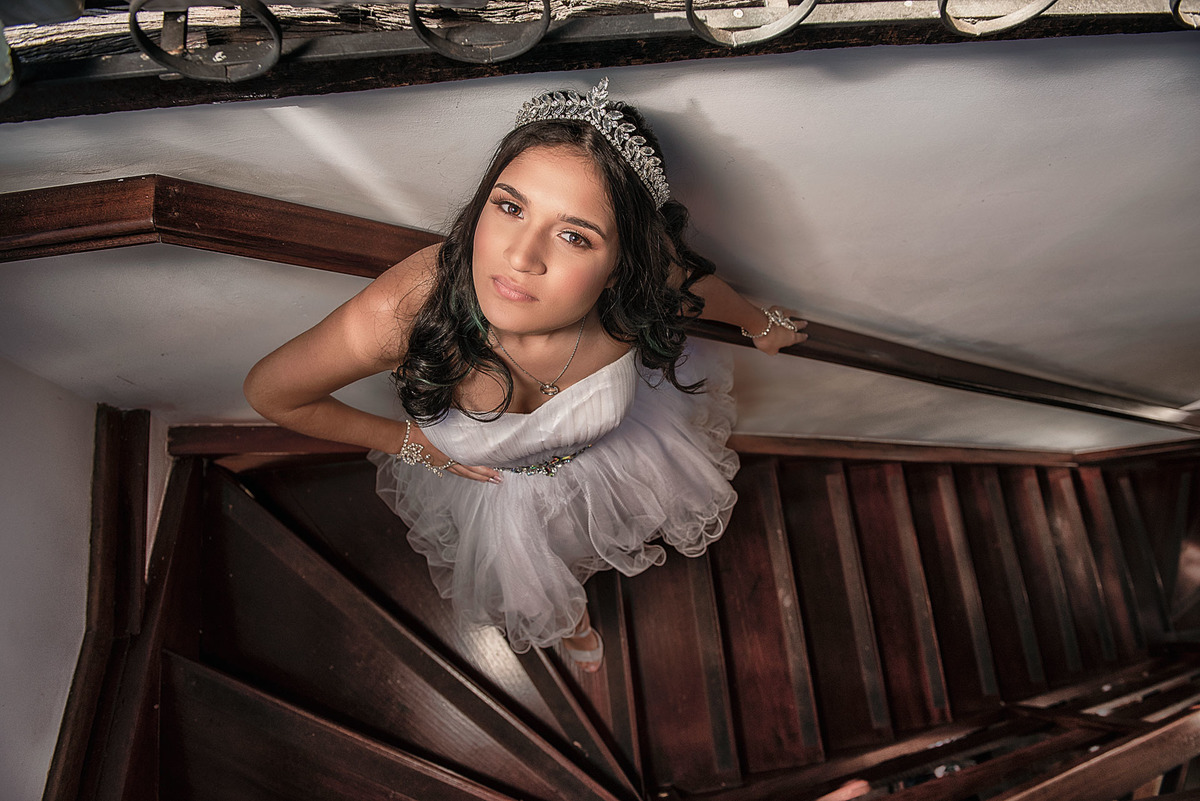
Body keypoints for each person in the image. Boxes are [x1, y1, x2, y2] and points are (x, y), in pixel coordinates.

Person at [244, 79, 807, 673]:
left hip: (611, 457)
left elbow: (692, 285)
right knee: (528, 577)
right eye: (510, 206)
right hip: (489, 491)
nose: (520, 256)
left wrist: (759, 323)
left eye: (574, 235)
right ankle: (570, 621)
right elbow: (272, 392)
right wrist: (410, 444)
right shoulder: (402, 313)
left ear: (621, 266)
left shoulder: (639, 282)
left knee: (580, 538)